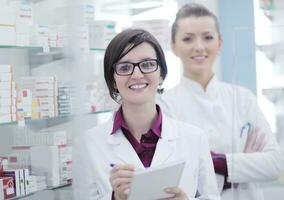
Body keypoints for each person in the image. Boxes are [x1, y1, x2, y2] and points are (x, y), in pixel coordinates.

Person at [73, 28, 220, 200]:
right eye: (125, 67)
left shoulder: (194, 138)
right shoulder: (88, 144)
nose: (137, 74)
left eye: (148, 64)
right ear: (112, 80)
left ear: (161, 74)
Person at [158, 3, 284, 200]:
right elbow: (179, 176)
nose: (199, 46)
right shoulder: (165, 106)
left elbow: (275, 164)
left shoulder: (242, 98)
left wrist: (214, 162)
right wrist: (243, 165)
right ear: (173, 46)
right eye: (188, 38)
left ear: (220, 43)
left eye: (208, 37)